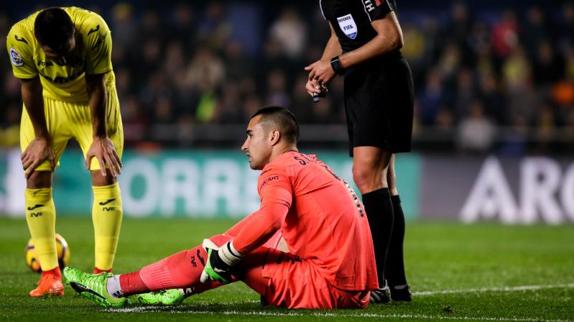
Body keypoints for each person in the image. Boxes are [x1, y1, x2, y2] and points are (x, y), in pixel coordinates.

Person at [64, 106, 378, 309]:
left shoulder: (279, 169)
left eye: (250, 135)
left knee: (224, 251)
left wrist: (228, 253)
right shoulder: (312, 165)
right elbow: (277, 228)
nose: (244, 145)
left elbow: (271, 218)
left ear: (273, 136)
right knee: (239, 242)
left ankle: (114, 287)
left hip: (326, 288)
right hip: (354, 289)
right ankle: (178, 288)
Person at [6, 7, 124, 297]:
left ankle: (102, 276)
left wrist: (99, 136)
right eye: (52, 55)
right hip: (47, 102)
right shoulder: (19, 39)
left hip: (91, 102)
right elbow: (29, 87)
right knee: (35, 177)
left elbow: (97, 83)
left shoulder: (96, 30)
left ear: (74, 33)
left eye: (65, 50)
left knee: (105, 173)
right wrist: (41, 137)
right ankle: (50, 276)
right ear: (37, 40)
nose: (61, 59)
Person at [304, 0, 414, 302]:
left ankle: (375, 282)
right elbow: (339, 36)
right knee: (384, 183)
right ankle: (396, 284)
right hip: (360, 82)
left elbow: (392, 37)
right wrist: (320, 71)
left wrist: (336, 65)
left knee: (365, 174)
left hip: (384, 79)